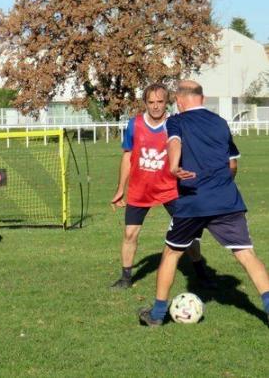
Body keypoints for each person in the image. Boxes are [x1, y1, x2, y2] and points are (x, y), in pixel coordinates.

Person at [139, 80, 269, 326]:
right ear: (203, 98)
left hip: (193, 202)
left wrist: (174, 165)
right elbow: (233, 164)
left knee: (171, 253)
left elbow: (174, 142)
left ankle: (156, 315)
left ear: (178, 100)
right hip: (227, 201)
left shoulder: (176, 121)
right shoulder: (220, 123)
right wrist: (221, 187)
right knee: (247, 255)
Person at [110, 83, 210, 289]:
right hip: (140, 189)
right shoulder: (134, 125)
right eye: (151, 102)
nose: (155, 106)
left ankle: (201, 273)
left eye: (160, 102)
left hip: (170, 189)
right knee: (130, 234)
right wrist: (121, 188)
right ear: (145, 103)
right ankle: (126, 279)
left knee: (188, 233)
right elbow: (128, 156)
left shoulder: (176, 125)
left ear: (167, 102)